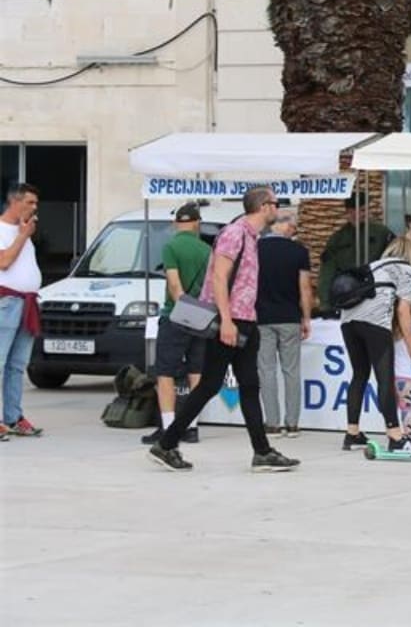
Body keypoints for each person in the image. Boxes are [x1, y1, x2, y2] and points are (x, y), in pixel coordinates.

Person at [147, 187, 300, 473]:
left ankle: (261, 451)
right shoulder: (235, 233)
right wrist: (227, 321)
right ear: (264, 206)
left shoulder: (252, 237)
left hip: (244, 320)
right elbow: (219, 277)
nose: (278, 208)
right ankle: (167, 445)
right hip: (229, 320)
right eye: (276, 203)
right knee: (211, 385)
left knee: (246, 385)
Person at [340, 245, 411, 453]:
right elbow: (403, 311)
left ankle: (352, 434)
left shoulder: (375, 265)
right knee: (385, 377)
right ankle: (395, 437)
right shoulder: (408, 271)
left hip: (348, 320)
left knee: (359, 375)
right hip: (375, 322)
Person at [141, 202, 210, 446]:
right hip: (202, 316)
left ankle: (169, 427)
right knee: (196, 372)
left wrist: (182, 308)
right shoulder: (206, 249)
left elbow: (173, 283)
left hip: (176, 314)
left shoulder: (171, 247)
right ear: (197, 223)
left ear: (175, 223)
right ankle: (192, 427)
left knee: (165, 372)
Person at [256, 209, 313, 438]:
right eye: (293, 226)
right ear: (283, 225)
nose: (294, 230)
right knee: (291, 371)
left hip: (262, 318)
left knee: (266, 371)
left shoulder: (256, 249)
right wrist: (306, 317)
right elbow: (305, 288)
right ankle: (292, 424)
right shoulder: (298, 251)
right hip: (289, 317)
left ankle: (272, 423)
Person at [0, 182, 42, 439]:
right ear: (14, 203)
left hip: (27, 303)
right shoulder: (6, 230)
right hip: (6, 303)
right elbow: (4, 262)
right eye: (30, 203)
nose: (35, 208)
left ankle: (13, 416)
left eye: (36, 203)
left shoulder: (23, 231)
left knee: (17, 365)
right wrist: (23, 236)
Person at [316, 196, 393, 313]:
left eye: (365, 210)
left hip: (376, 293)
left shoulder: (381, 233)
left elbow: (393, 261)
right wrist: (325, 304)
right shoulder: (338, 239)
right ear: (348, 212)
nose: (364, 214)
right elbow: (327, 273)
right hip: (347, 294)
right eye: (360, 210)